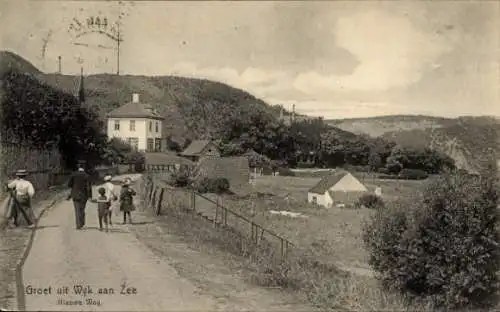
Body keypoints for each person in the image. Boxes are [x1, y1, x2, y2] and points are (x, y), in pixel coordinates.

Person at [67, 160, 92, 230]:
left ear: (78, 166)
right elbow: (89, 187)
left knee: (77, 209)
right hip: (84, 195)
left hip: (75, 194)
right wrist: (90, 196)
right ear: (84, 167)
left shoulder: (73, 174)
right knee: (82, 209)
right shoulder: (87, 176)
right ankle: (82, 222)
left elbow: (69, 184)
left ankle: (78, 224)